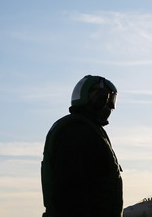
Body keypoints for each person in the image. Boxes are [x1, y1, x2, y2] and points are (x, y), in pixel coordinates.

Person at [41, 75, 123, 217]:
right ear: (99, 99)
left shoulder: (89, 129)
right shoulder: (76, 130)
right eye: (108, 100)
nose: (110, 107)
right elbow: (70, 189)